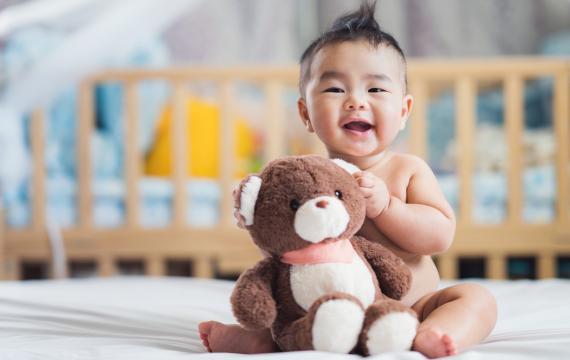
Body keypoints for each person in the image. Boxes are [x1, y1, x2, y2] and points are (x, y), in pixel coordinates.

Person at [199, 1, 497, 358]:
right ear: (305, 113)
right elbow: (287, 252)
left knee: (476, 299)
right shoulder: (302, 181)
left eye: (375, 90)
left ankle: (432, 333)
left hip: (411, 309)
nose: (356, 101)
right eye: (335, 90)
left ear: (403, 111)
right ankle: (254, 340)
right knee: (277, 314)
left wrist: (387, 207)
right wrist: (259, 217)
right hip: (325, 314)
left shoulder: (407, 169)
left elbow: (439, 236)